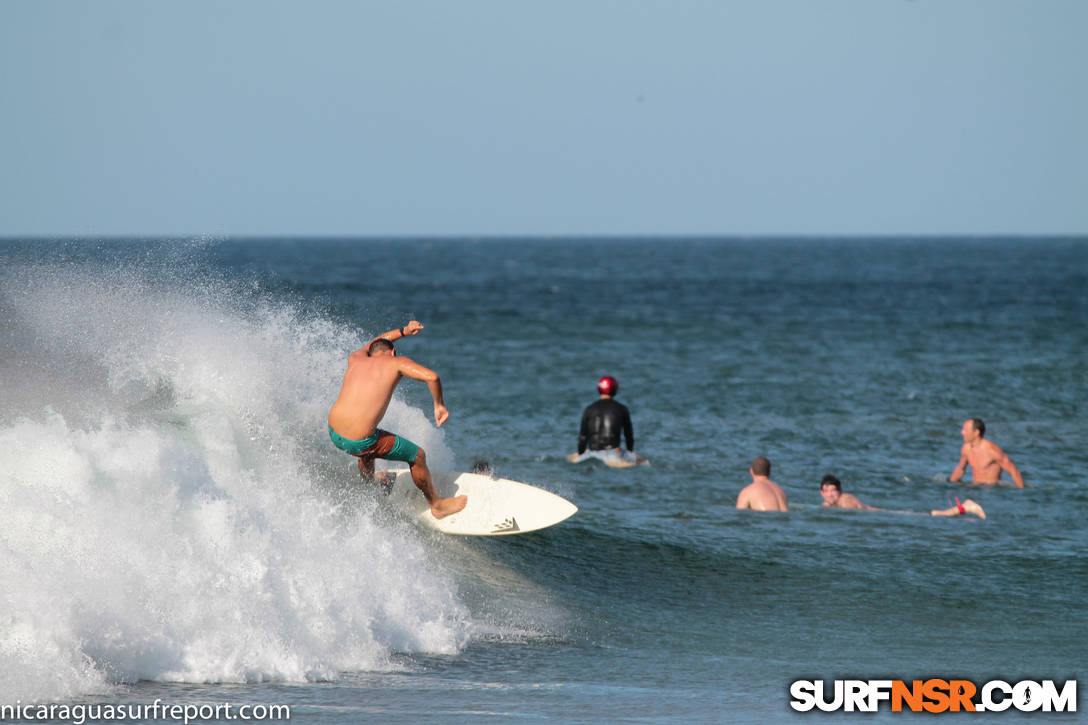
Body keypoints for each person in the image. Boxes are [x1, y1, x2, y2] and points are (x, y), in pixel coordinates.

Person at [328, 320, 467, 519]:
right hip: (359, 440)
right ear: (392, 352)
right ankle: (437, 505)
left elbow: (374, 343)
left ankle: (369, 489)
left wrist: (404, 331)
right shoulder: (397, 363)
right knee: (417, 456)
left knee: (367, 447)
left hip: (334, 432)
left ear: (372, 351)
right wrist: (439, 405)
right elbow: (432, 377)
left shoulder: (355, 357)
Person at [819, 474, 985, 519]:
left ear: (840, 490)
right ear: (821, 493)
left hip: (886, 514)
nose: (829, 494)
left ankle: (965, 507)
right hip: (881, 514)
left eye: (833, 490)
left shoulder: (845, 499)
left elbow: (850, 514)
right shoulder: (829, 504)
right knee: (933, 515)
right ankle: (962, 508)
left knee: (932, 515)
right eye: (826, 491)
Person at [567, 375, 647, 465]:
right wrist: (630, 452)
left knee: (570, 459)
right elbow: (629, 436)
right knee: (644, 462)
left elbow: (583, 437)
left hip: (592, 454)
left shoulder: (589, 409)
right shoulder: (621, 409)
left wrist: (581, 454)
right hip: (614, 454)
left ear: (599, 388)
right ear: (614, 389)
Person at [949, 418, 1025, 488]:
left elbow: (1013, 470)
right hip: (974, 487)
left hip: (991, 491)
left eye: (965, 430)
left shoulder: (992, 451)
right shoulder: (966, 448)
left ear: (976, 432)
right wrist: (950, 485)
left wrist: (1021, 491)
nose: (962, 432)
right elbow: (960, 469)